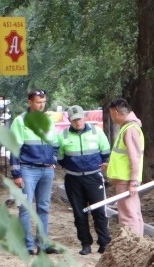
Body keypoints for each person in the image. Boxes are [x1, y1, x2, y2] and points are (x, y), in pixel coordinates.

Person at [9, 87, 60, 255]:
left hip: (46, 170)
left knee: (43, 208)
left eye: (44, 102)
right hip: (27, 170)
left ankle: (43, 245)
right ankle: (27, 246)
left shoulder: (48, 120)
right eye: (38, 102)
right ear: (29, 102)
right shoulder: (20, 121)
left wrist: (53, 159)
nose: (42, 105)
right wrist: (16, 174)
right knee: (25, 208)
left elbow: (55, 143)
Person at [59, 105, 112, 255]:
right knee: (79, 213)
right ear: (70, 120)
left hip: (94, 178)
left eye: (80, 118)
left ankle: (104, 243)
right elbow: (60, 158)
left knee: (99, 211)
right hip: (73, 180)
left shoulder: (97, 131)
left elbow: (105, 152)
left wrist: (98, 165)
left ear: (84, 117)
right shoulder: (62, 135)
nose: (78, 122)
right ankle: (85, 244)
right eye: (74, 119)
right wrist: (73, 167)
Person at [105, 98, 146, 237]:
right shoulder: (128, 128)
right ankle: (138, 245)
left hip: (127, 180)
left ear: (116, 112)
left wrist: (133, 182)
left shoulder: (130, 129)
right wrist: (109, 166)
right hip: (126, 179)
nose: (111, 117)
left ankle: (133, 246)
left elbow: (134, 158)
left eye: (111, 113)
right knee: (133, 212)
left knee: (128, 215)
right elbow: (123, 156)